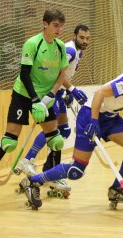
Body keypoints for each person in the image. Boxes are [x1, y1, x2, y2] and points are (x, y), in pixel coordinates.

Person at [19, 62, 123, 208]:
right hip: (90, 115)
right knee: (76, 170)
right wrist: (94, 121)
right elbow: (100, 93)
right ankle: (32, 182)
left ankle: (116, 189)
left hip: (111, 118)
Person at [0, 9, 69, 199]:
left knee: (56, 139)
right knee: (10, 140)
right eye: (55, 25)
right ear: (45, 24)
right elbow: (25, 75)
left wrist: (50, 95)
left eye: (61, 25)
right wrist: (35, 100)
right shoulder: (33, 43)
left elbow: (62, 74)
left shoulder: (60, 47)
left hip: (44, 97)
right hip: (24, 94)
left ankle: (53, 176)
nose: (59, 29)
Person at [17, 25, 90, 195]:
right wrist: (71, 89)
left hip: (59, 91)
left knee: (63, 130)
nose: (85, 41)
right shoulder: (70, 50)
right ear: (75, 36)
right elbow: (58, 72)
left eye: (87, 38)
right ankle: (29, 159)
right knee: (54, 131)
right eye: (82, 38)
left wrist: (67, 91)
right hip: (51, 91)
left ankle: (49, 169)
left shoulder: (79, 51)